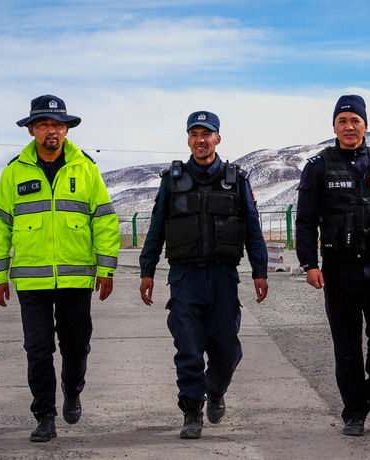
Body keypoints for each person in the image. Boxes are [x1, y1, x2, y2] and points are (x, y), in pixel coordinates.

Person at [0, 94, 120, 442]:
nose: (52, 131)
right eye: (44, 124)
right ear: (31, 129)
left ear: (66, 130)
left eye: (58, 125)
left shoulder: (85, 168)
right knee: (38, 349)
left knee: (76, 346)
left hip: (76, 279)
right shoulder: (14, 172)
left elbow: (104, 220)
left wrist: (106, 269)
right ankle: (44, 416)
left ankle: (72, 390)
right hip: (32, 281)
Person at [139, 111, 269, 439]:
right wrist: (147, 270)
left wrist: (260, 270)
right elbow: (157, 227)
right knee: (188, 348)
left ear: (217, 138)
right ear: (188, 139)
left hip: (224, 277)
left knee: (228, 349)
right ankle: (192, 411)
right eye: (195, 134)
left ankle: (216, 390)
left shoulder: (236, 179)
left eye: (206, 134)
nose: (201, 140)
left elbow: (252, 229)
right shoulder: (172, 180)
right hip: (185, 278)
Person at [295, 95, 370, 436]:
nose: (349, 126)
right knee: (346, 346)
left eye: (354, 120)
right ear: (334, 126)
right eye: (342, 121)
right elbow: (305, 220)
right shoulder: (319, 166)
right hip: (339, 269)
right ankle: (354, 411)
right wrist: (308, 263)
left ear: (365, 125)